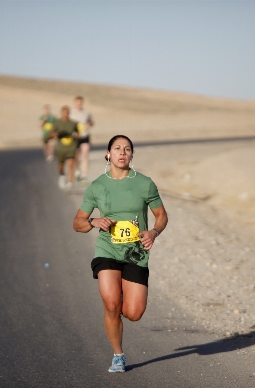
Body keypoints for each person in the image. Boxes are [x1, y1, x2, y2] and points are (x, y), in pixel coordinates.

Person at [73, 135, 168, 372]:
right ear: (108, 154)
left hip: (136, 253)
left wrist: (154, 232)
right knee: (111, 304)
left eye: (127, 149)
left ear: (132, 155)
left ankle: (123, 299)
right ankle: (118, 355)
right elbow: (78, 223)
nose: (122, 152)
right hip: (107, 250)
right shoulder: (97, 186)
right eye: (117, 148)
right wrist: (94, 221)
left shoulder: (144, 183)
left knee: (133, 313)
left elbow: (162, 215)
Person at [50, 106, 79, 191]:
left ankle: (70, 184)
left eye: (67, 112)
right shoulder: (57, 122)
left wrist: (76, 136)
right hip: (60, 147)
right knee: (61, 165)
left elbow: (78, 133)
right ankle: (62, 176)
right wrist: (58, 134)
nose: (66, 114)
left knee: (70, 164)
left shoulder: (73, 123)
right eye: (64, 112)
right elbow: (51, 134)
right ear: (61, 113)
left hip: (71, 146)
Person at [70, 95, 94, 183]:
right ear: (75, 103)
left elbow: (91, 121)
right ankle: (77, 171)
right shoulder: (71, 113)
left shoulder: (87, 113)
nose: (79, 104)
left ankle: (84, 175)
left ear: (82, 103)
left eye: (80, 103)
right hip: (75, 137)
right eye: (77, 103)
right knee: (75, 156)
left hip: (85, 136)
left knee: (85, 155)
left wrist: (89, 124)